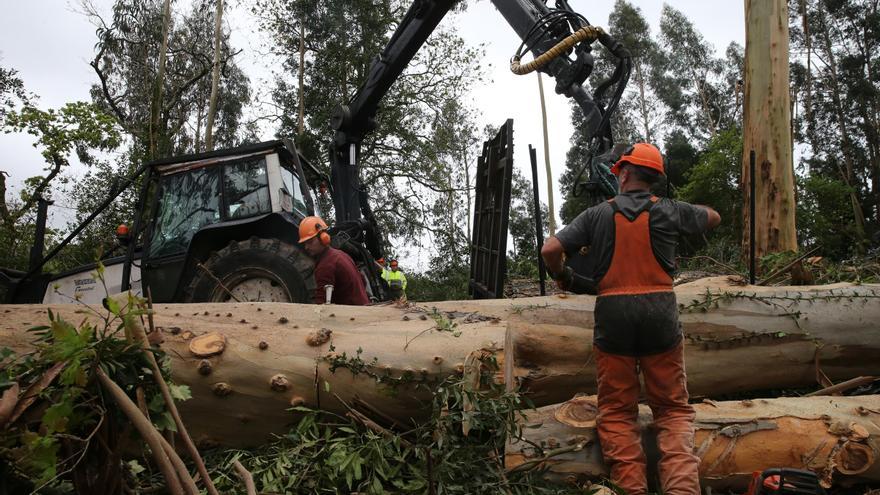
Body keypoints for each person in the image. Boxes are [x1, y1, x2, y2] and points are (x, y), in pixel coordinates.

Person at [541, 143, 720, 495]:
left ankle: (631, 488)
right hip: (660, 311)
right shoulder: (668, 210)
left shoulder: (597, 214)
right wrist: (684, 212)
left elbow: (550, 249)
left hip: (613, 314)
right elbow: (712, 217)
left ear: (623, 172)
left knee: (618, 412)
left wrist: (563, 277)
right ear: (654, 178)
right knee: (671, 410)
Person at [298, 216, 370, 306]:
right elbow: (363, 281)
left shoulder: (326, 265)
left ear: (323, 238)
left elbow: (321, 305)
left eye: (310, 242)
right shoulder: (342, 254)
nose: (306, 247)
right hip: (364, 308)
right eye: (305, 243)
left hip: (353, 316)